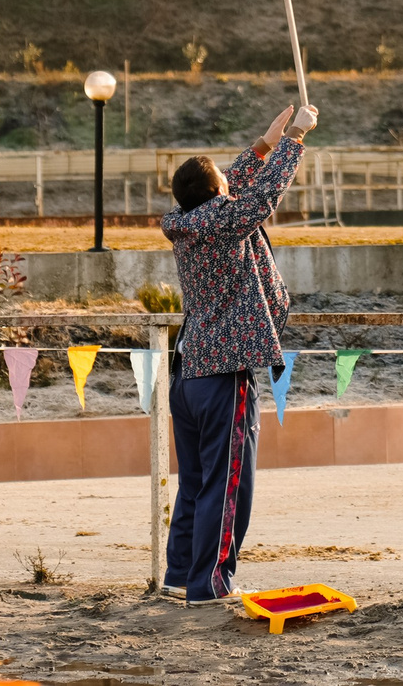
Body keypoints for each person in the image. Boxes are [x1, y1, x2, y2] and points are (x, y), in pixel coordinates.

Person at [159, 98, 315, 601]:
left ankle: (180, 574)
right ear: (216, 195)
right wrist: (295, 142)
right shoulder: (226, 220)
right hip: (225, 371)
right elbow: (260, 198)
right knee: (227, 486)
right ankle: (209, 582)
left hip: (190, 373)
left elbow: (232, 183)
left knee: (195, 483)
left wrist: (265, 143)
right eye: (225, 184)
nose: (232, 183)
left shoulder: (190, 220)